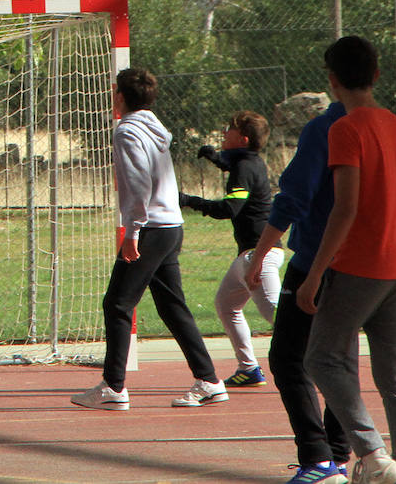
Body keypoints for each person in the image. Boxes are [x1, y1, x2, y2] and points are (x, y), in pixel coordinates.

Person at [297, 37, 396, 484]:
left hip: (360, 266)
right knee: (395, 374)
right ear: (377, 75)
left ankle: (373, 455)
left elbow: (344, 208)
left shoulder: (345, 130)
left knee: (322, 359)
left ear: (332, 81)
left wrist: (313, 276)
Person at [71, 67, 227, 411]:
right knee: (172, 307)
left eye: (115, 93)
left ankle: (113, 387)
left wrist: (133, 231)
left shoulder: (127, 131)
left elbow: (139, 182)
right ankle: (209, 380)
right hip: (171, 226)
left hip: (152, 229)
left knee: (118, 303)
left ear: (121, 97)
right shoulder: (154, 130)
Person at [245, 96, 351, 483]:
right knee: (341, 359)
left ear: (334, 79)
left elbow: (293, 197)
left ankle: (318, 458)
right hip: (366, 267)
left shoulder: (325, 129)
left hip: (316, 261)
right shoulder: (387, 127)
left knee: (289, 358)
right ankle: (341, 454)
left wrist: (259, 255)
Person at [178, 110, 282, 387]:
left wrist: (189, 200)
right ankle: (248, 370)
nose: (224, 132)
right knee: (227, 305)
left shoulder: (244, 167)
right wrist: (215, 158)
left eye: (230, 130)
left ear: (243, 139)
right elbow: (234, 167)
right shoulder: (247, 161)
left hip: (259, 253)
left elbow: (229, 208)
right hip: (250, 254)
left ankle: (321, 355)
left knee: (277, 312)